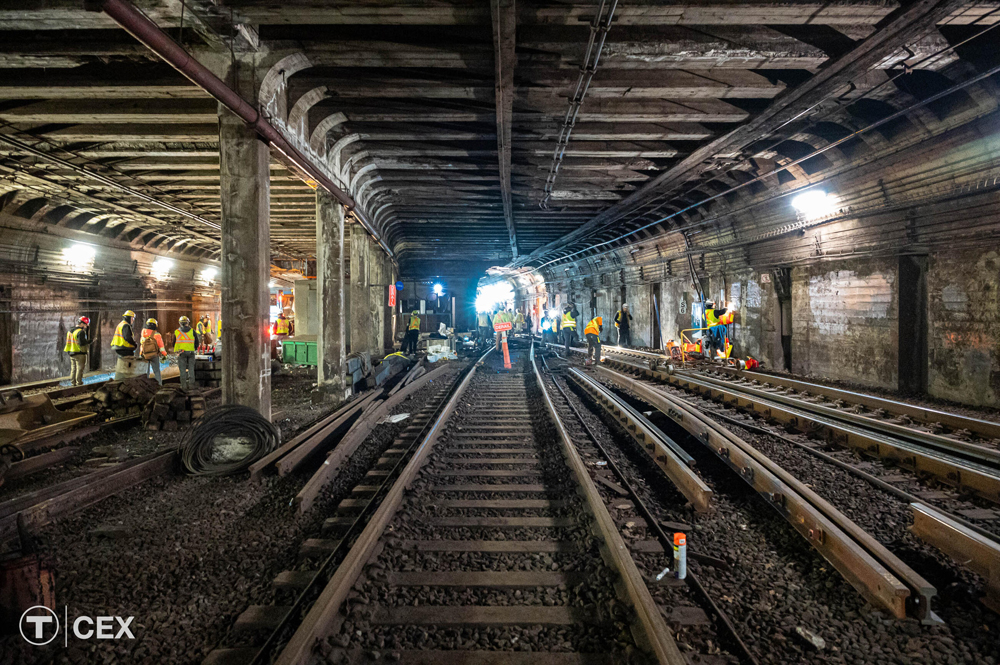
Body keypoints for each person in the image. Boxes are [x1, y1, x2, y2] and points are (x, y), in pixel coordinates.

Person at [63, 316, 90, 387]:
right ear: (82, 324)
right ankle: (79, 383)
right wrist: (88, 341)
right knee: (80, 368)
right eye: (86, 325)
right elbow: (82, 343)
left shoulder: (70, 331)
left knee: (73, 369)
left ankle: (73, 383)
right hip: (79, 353)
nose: (86, 326)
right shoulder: (80, 332)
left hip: (71, 352)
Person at [111, 309, 138, 379]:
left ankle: (121, 377)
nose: (133, 320)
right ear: (129, 318)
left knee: (123, 364)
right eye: (133, 318)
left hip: (119, 347)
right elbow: (127, 337)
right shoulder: (126, 325)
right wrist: (134, 344)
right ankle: (127, 378)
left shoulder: (121, 324)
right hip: (124, 348)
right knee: (128, 363)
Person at [140, 318, 168, 385]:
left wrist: (141, 353)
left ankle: (144, 386)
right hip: (154, 355)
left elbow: (142, 343)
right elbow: (161, 347)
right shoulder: (157, 335)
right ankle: (159, 385)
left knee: (145, 372)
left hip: (144, 355)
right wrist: (164, 354)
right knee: (156, 371)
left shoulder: (143, 332)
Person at [174, 316, 196, 390]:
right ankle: (191, 386)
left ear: (180, 323)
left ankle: (183, 386)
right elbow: (197, 342)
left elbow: (174, 343)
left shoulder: (177, 332)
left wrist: (178, 350)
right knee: (191, 369)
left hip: (181, 353)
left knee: (182, 370)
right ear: (187, 323)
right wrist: (193, 349)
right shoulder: (192, 331)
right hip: (190, 352)